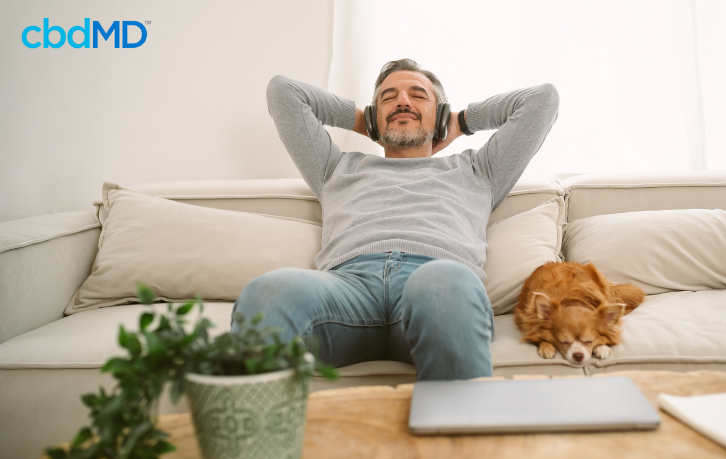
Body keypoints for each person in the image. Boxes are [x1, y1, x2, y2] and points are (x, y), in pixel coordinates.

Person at [233, 58, 559, 380]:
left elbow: (542, 100)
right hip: (347, 291)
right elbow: (283, 92)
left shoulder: (480, 170)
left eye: (418, 95)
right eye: (388, 98)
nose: (402, 101)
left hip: (437, 287)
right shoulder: (334, 168)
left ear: (441, 113)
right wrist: (362, 120)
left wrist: (460, 121)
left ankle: (458, 430)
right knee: (267, 292)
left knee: (442, 282)